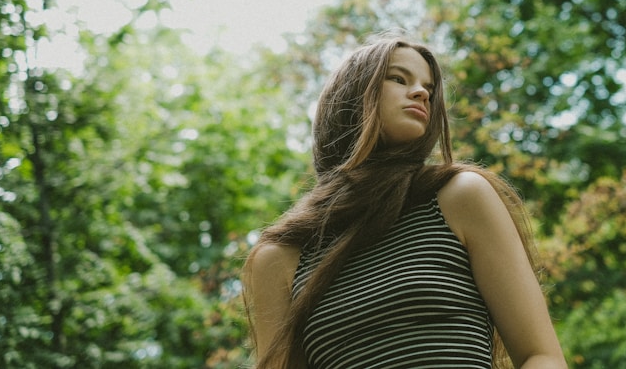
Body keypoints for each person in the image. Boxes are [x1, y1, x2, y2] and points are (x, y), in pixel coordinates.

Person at [242, 36, 567, 369]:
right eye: (399, 79)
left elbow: (541, 356)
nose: (421, 93)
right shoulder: (281, 257)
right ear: (351, 96)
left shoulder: (461, 197)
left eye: (428, 88)